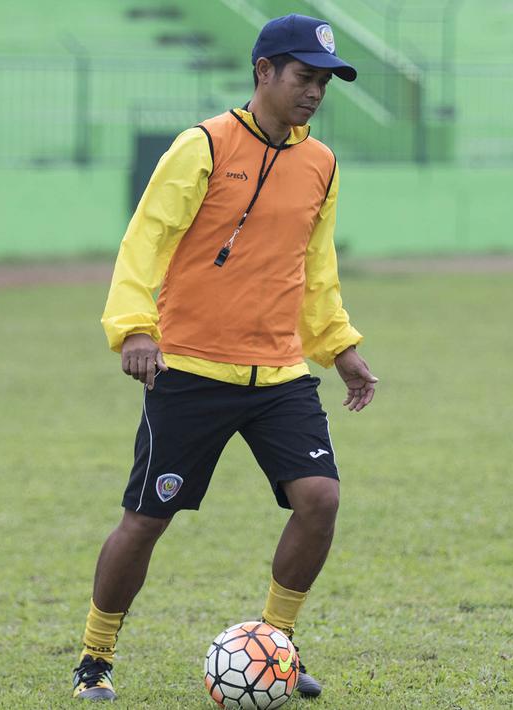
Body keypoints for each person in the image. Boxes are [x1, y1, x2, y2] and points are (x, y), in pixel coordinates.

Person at [71, 13, 378, 702]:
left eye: (324, 82)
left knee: (320, 500)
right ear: (263, 71)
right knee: (146, 521)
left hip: (280, 374)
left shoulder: (321, 163)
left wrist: (339, 347)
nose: (314, 92)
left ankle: (277, 646)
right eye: (304, 76)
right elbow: (144, 241)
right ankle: (95, 654)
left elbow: (315, 268)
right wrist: (135, 329)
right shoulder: (202, 146)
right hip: (190, 370)